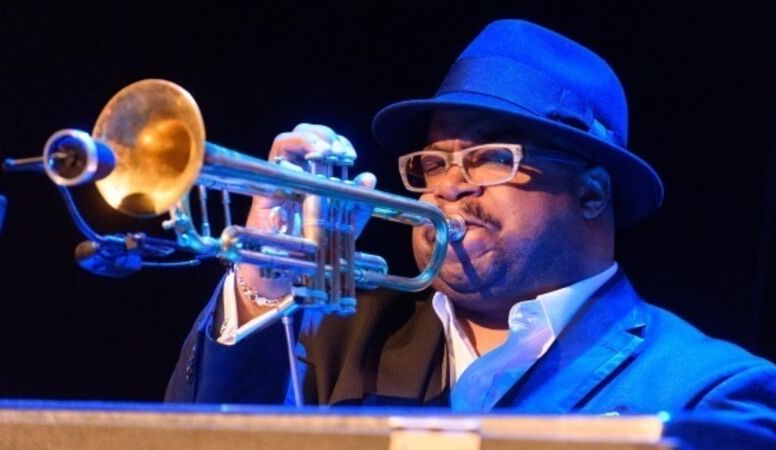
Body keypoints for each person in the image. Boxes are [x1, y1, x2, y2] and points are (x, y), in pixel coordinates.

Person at [165, 19, 776, 432]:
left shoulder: (712, 392)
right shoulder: (328, 343)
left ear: (591, 193)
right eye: (432, 164)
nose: (448, 186)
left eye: (489, 158)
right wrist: (263, 285)